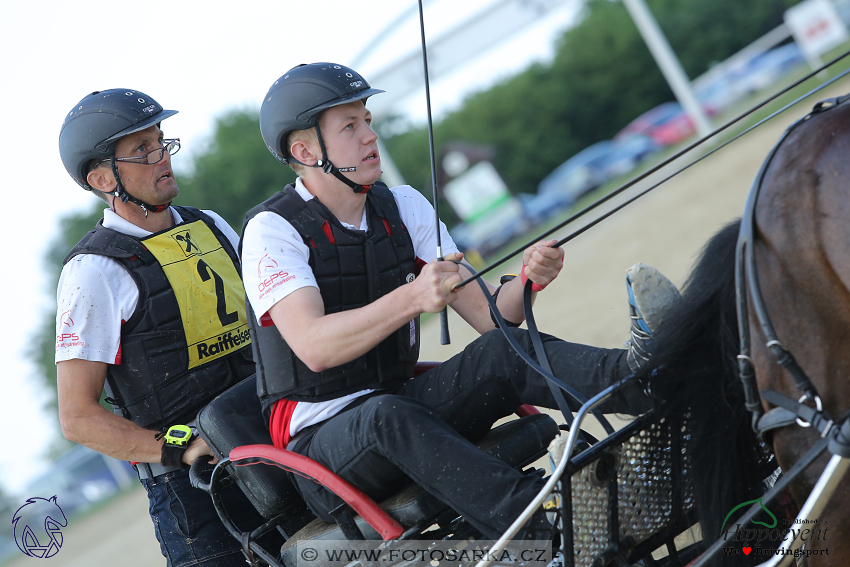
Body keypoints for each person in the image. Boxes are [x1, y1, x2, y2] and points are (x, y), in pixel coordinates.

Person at [240, 63, 681, 540]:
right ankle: (549, 532)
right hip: (321, 450)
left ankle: (654, 379)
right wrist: (413, 297)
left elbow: (493, 320)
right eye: (350, 126)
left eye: (367, 119)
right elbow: (314, 347)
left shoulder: (404, 206)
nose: (370, 136)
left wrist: (529, 281)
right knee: (387, 415)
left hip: (398, 404)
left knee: (500, 352)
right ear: (305, 151)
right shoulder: (272, 230)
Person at [55, 89, 281, 566]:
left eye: (161, 142)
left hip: (276, 447)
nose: (162, 158)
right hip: (197, 494)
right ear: (101, 178)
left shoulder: (212, 225)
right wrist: (183, 448)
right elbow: (77, 416)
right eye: (142, 151)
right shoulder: (92, 272)